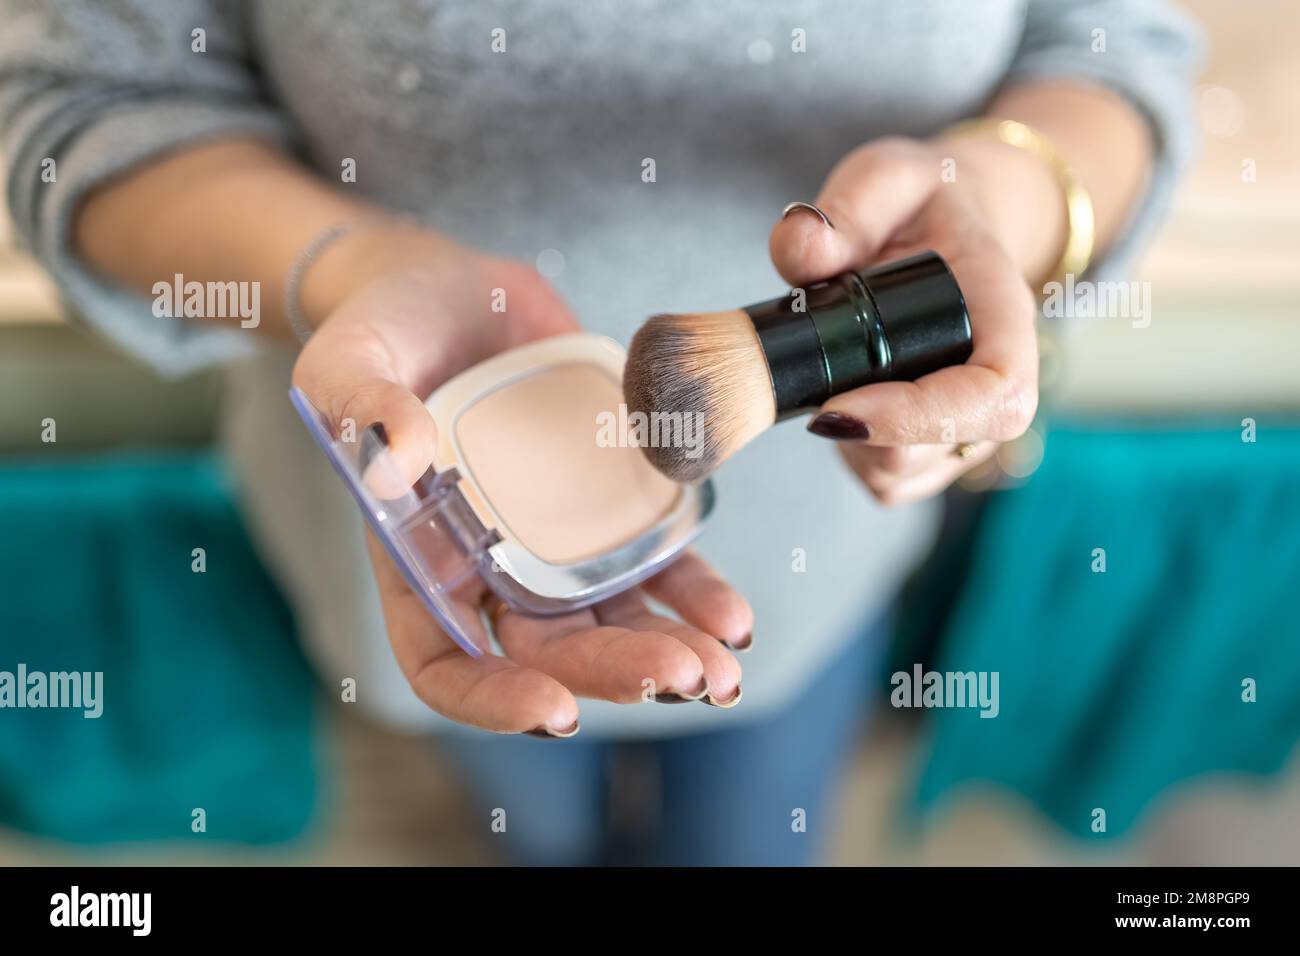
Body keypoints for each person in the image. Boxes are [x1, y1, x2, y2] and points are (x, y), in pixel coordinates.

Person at [0, 0, 1201, 865]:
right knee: (535, 814)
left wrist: (998, 202)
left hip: (815, 558)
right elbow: (82, 101)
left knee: (747, 839)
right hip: (430, 543)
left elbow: (1118, 47)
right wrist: (345, 269)